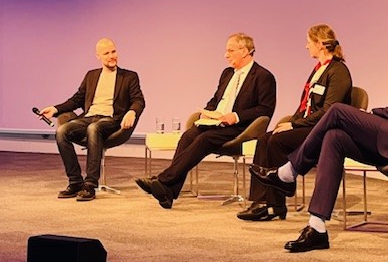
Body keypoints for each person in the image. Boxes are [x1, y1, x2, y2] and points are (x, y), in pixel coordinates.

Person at [251, 7, 388, 252]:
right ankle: (316, 227)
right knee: (335, 136)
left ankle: (289, 172)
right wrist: (380, 115)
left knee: (337, 111)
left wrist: (374, 115)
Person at [135, 32, 276, 209]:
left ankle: (163, 181)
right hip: (217, 122)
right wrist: (208, 112)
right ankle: (168, 192)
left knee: (204, 139)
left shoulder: (263, 76)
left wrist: (236, 116)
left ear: (245, 51)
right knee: (188, 136)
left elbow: (265, 109)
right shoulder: (227, 73)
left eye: (230, 50)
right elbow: (216, 99)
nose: (226, 55)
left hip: (240, 127)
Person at [237, 24, 352, 222]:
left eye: (309, 42)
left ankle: (278, 197)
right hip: (309, 125)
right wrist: (292, 121)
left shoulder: (338, 71)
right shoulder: (318, 70)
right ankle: (263, 202)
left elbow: (328, 110)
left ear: (319, 44)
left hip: (324, 129)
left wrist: (295, 125)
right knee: (265, 139)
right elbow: (305, 106)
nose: (306, 47)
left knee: (277, 141)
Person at [40, 38, 145, 202]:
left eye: (114, 51)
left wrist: (132, 111)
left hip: (110, 120)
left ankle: (90, 184)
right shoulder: (91, 75)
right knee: (62, 131)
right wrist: (55, 109)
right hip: (89, 117)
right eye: (107, 53)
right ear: (98, 56)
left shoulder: (129, 76)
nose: (112, 56)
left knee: (94, 128)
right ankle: (75, 182)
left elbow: (139, 100)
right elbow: (76, 100)